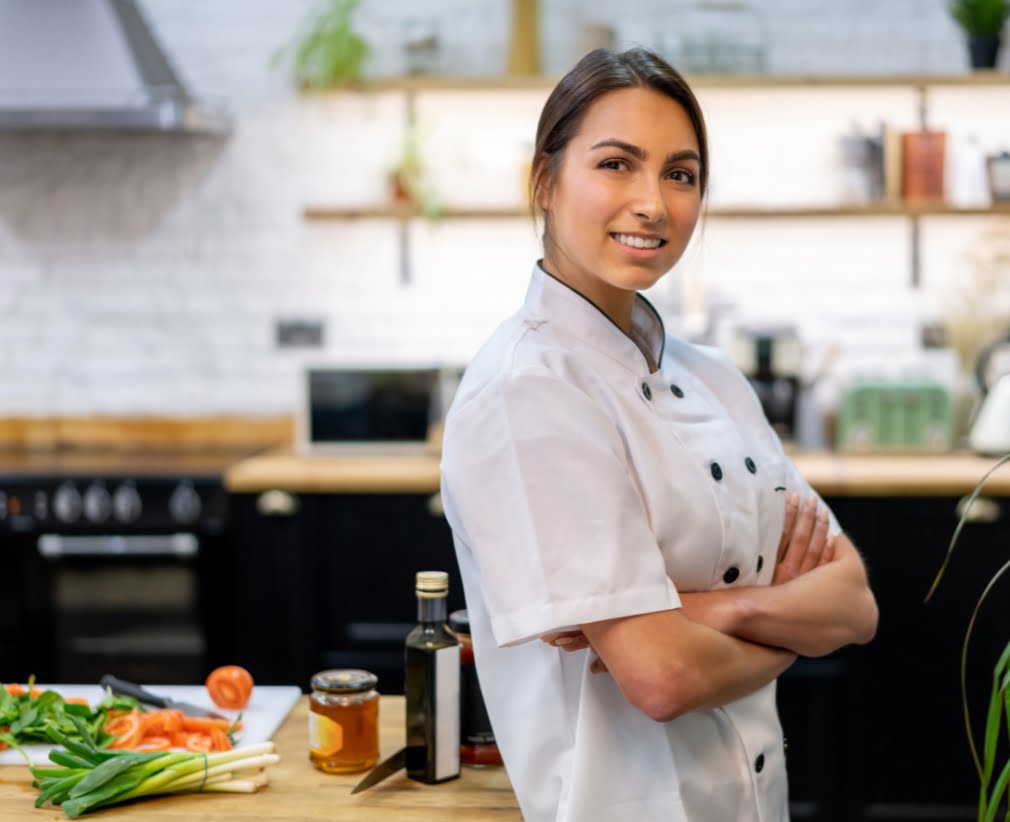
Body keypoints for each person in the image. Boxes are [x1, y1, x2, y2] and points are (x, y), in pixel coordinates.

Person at [439, 46, 878, 822]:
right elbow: (663, 679)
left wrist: (710, 612)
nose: (653, 203)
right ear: (543, 182)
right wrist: (778, 609)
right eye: (616, 164)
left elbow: (853, 606)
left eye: (681, 174)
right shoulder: (528, 390)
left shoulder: (715, 378)